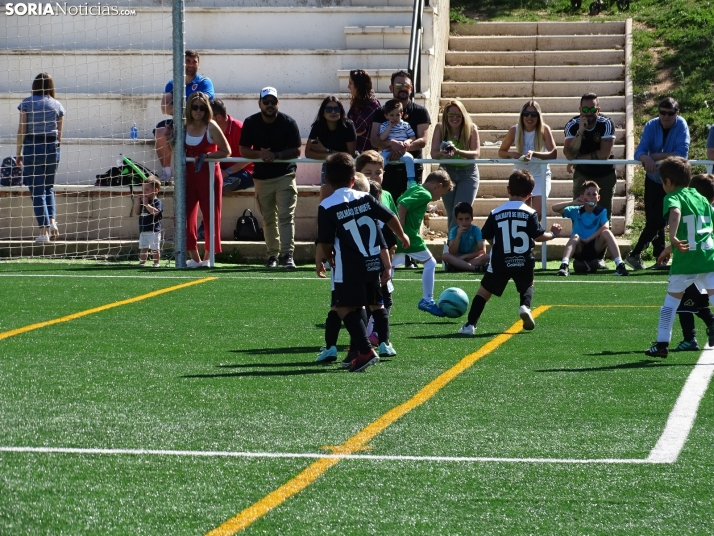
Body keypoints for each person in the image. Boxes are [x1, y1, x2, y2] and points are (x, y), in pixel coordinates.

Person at [317, 153, 410, 372]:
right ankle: (361, 350)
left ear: (327, 180)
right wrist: (402, 235)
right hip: (372, 263)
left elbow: (326, 240)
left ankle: (366, 350)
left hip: (349, 265)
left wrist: (325, 258)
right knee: (365, 304)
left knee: (342, 307)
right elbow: (389, 217)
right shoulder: (365, 198)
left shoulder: (327, 205)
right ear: (353, 179)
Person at [458, 170, 562, 336]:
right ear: (529, 195)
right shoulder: (530, 213)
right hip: (523, 259)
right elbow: (538, 235)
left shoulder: (496, 212)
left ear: (508, 189)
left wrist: (498, 244)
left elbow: (486, 235)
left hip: (500, 260)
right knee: (527, 285)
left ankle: (470, 325)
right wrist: (553, 234)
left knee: (483, 293)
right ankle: (525, 306)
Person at [644, 157, 714, 358]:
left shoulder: (672, 196)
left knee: (670, 304)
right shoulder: (700, 197)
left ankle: (662, 344)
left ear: (667, 182)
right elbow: (701, 230)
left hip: (686, 263)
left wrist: (672, 237)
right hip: (708, 258)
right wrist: (669, 248)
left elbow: (675, 213)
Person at [239, 87, 302, 269]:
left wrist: (277, 155)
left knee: (285, 216)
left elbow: (297, 150)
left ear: (277, 104)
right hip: (262, 178)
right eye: (265, 102)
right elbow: (243, 150)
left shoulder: (288, 122)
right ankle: (272, 256)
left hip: (285, 175)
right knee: (268, 219)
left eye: (272, 102)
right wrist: (261, 154)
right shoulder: (251, 122)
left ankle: (287, 255)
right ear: (259, 103)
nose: (269, 105)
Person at [627, 97, 690, 271]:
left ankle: (635, 254)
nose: (666, 116)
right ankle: (659, 258)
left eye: (670, 113)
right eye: (662, 112)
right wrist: (644, 157)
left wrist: (654, 156)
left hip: (673, 182)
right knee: (654, 220)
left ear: (677, 113)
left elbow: (681, 153)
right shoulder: (651, 125)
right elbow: (639, 151)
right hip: (654, 179)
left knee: (658, 220)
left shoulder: (682, 125)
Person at [393, 170, 454, 316]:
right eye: (442, 194)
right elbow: (403, 204)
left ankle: (378, 299)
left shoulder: (415, 187)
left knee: (389, 267)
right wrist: (401, 224)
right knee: (431, 263)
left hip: (399, 235)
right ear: (438, 186)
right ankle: (427, 300)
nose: (439, 198)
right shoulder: (425, 194)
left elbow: (401, 200)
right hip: (409, 236)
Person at [184, 91, 231, 268]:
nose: (198, 111)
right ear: (189, 108)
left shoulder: (211, 126)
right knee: (185, 216)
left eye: (202, 108)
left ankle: (208, 257)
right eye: (195, 107)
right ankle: (194, 257)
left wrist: (208, 155)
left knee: (211, 215)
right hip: (189, 177)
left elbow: (226, 151)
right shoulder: (183, 126)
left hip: (210, 176)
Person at [667, 174, 714, 352]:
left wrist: (669, 246)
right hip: (708, 266)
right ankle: (710, 324)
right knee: (699, 303)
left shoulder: (692, 211)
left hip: (693, 266)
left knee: (683, 304)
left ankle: (690, 339)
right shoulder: (707, 212)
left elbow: (688, 239)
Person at [16, 72, 65, 243]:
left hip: (33, 146)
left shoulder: (27, 103)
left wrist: (18, 153)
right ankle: (52, 222)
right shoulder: (57, 105)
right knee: (48, 187)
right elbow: (60, 135)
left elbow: (22, 129)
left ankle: (44, 233)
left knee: (36, 191)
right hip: (53, 148)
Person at [155, 50, 214, 184]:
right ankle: (167, 174)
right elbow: (165, 107)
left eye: (194, 62)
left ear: (198, 65)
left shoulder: (204, 82)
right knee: (160, 132)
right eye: (188, 61)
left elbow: (202, 105)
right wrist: (190, 107)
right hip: (179, 122)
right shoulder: (172, 83)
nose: (191, 64)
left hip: (198, 123)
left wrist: (180, 107)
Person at [370, 70, 431, 202]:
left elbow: (422, 141)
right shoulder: (380, 112)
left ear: (412, 88)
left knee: (410, 213)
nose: (403, 88)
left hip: (411, 170)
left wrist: (402, 149)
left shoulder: (420, 112)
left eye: (406, 85)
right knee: (386, 210)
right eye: (398, 85)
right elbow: (374, 140)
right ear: (391, 88)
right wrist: (391, 143)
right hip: (387, 171)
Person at [552, 181, 628, 276]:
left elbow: (605, 226)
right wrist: (573, 202)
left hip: (594, 246)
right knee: (575, 236)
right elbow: (554, 208)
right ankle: (564, 265)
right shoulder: (576, 210)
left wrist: (588, 239)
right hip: (579, 246)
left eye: (594, 194)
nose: (591, 197)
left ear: (598, 197)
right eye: (588, 194)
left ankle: (620, 265)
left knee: (607, 232)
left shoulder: (601, 211)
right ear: (582, 197)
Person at [498, 100, 557, 220]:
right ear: (522, 115)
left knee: (537, 214)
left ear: (538, 116)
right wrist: (512, 154)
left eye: (533, 114)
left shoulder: (544, 129)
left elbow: (553, 153)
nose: (529, 117)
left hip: (540, 174)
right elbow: (501, 152)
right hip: (521, 176)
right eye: (526, 113)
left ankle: (533, 237)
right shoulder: (514, 130)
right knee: (521, 214)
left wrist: (534, 153)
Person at [563, 93, 617, 222]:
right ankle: (579, 240)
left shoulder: (607, 123)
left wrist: (578, 159)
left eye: (592, 109)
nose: (589, 113)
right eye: (585, 109)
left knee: (604, 216)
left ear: (598, 110)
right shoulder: (572, 125)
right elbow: (569, 155)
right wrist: (580, 131)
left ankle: (602, 241)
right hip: (582, 173)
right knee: (578, 215)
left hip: (605, 174)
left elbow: (604, 155)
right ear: (580, 110)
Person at [430, 99, 482, 231]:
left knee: (460, 213)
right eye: (451, 115)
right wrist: (442, 154)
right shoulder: (440, 128)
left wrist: (457, 151)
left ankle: (453, 246)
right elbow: (433, 154)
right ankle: (454, 245)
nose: (454, 118)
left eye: (458, 115)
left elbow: (476, 154)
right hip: (446, 173)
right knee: (452, 214)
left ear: (463, 116)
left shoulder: (471, 128)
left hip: (468, 174)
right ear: (446, 116)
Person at [304, 96, 357, 193]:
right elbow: (308, 153)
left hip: (347, 166)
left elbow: (350, 155)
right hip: (329, 166)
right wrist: (330, 154)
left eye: (336, 109)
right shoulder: (318, 126)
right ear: (323, 112)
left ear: (341, 111)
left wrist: (326, 150)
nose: (333, 112)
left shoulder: (348, 125)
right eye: (329, 109)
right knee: (327, 197)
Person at [211, 99, 254, 194]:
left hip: (245, 171)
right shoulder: (210, 130)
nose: (205, 121)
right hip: (221, 171)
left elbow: (250, 157)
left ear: (217, 117)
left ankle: (222, 185)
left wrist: (227, 172)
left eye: (208, 118)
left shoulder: (239, 128)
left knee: (235, 179)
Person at [442, 202, 489, 273]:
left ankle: (457, 267)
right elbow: (452, 252)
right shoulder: (454, 230)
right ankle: (474, 268)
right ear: (456, 219)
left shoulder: (476, 230)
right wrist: (458, 236)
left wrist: (465, 256)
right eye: (460, 219)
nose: (464, 222)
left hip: (472, 258)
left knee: (487, 257)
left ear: (472, 218)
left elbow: (482, 251)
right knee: (445, 256)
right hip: (457, 259)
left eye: (467, 219)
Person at [347, 69, 381, 154]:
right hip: (354, 153)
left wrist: (350, 131)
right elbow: (346, 125)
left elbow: (358, 127)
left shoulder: (373, 104)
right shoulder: (356, 104)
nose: (348, 86)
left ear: (358, 85)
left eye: (351, 83)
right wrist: (352, 132)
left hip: (367, 155)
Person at [133, 176, 163, 268]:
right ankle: (142, 263)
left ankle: (156, 263)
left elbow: (156, 212)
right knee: (143, 248)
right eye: (143, 189)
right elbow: (137, 212)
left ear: (156, 190)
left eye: (147, 189)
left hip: (153, 230)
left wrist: (146, 204)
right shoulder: (143, 201)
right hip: (143, 229)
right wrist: (138, 203)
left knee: (155, 249)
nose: (144, 192)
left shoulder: (157, 201)